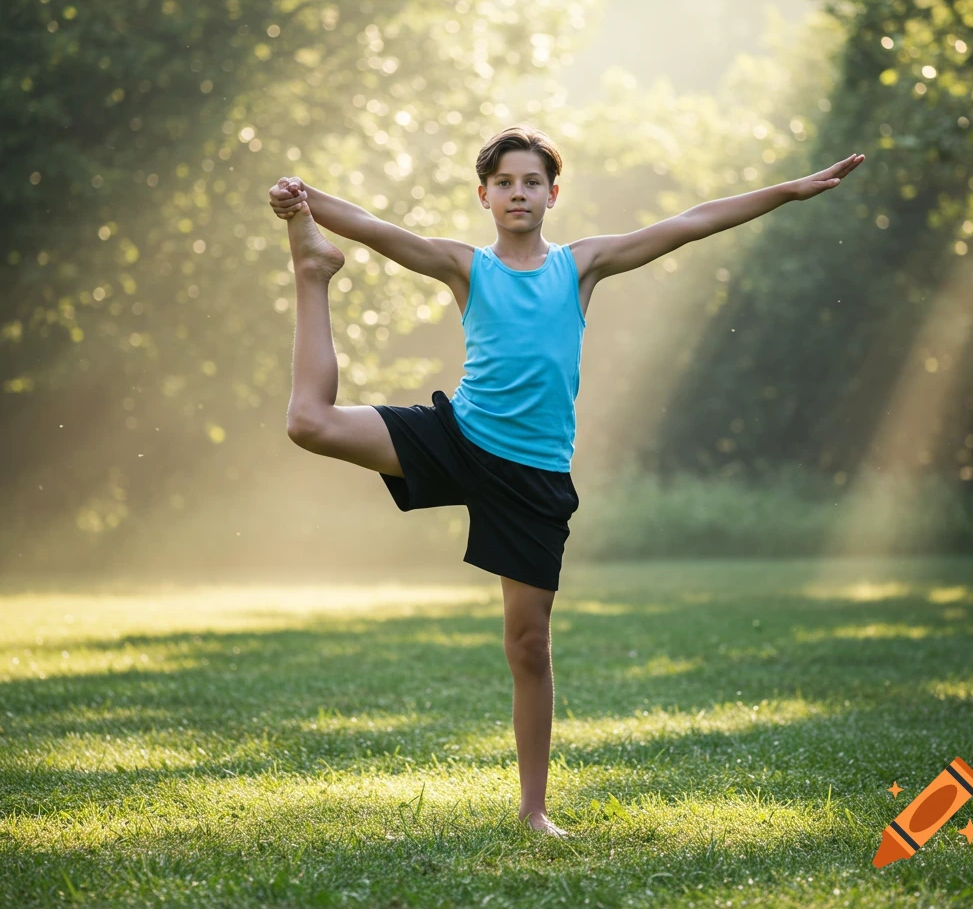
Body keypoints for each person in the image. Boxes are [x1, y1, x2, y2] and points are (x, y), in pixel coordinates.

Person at [268, 123, 865, 837]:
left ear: (553, 193)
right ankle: (312, 273)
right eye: (504, 183)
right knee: (308, 422)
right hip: (463, 436)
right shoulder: (465, 266)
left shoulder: (581, 266)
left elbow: (690, 222)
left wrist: (791, 191)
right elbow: (376, 227)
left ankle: (533, 812)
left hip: (534, 475)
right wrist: (306, 200)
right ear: (484, 195)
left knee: (529, 645)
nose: (518, 193)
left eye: (531, 182)